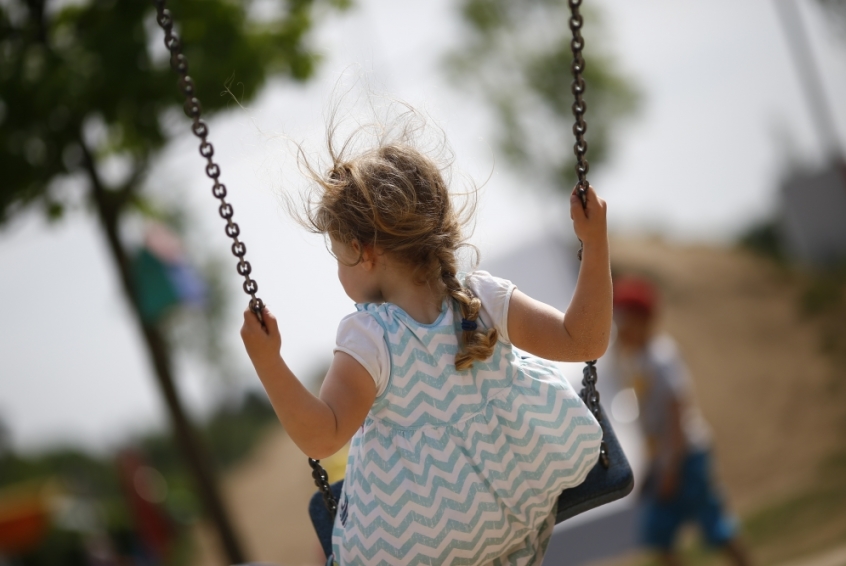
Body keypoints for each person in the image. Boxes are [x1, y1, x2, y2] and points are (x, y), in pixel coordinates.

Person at [240, 125, 612, 565]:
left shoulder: (371, 337)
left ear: (365, 253)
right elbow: (584, 340)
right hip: (514, 521)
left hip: (420, 547)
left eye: (338, 256)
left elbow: (323, 436)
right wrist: (594, 241)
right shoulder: (483, 298)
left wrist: (268, 363)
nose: (339, 273)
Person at [611, 275, 750, 566]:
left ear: (643, 320)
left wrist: (671, 464)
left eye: (624, 321)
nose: (619, 329)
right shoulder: (635, 361)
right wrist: (652, 466)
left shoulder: (661, 355)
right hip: (664, 460)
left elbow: (677, 411)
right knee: (658, 535)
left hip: (686, 455)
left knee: (714, 526)